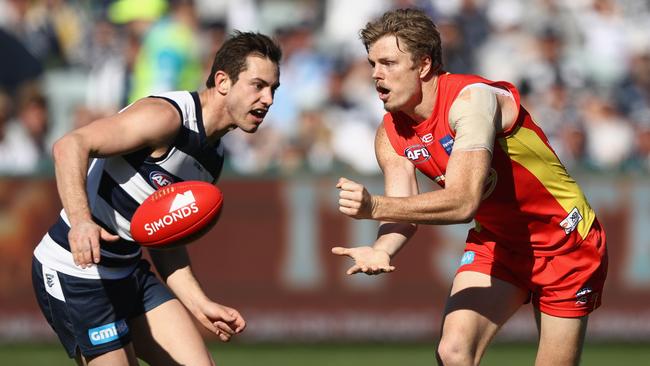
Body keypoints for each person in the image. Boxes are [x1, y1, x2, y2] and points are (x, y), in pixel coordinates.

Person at [331, 9, 607, 366]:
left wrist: (374, 207)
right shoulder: (390, 132)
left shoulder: (472, 100)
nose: (375, 75)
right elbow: (404, 208)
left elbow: (463, 202)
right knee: (453, 351)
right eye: (372, 64)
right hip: (498, 244)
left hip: (565, 242)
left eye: (388, 63)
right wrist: (383, 248)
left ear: (424, 65)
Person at [31, 31, 281, 365]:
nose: (268, 99)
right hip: (75, 273)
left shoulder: (213, 156)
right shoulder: (166, 118)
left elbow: (165, 237)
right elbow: (69, 146)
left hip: (129, 272)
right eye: (258, 85)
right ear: (223, 81)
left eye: (273, 89)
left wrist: (199, 303)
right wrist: (80, 222)